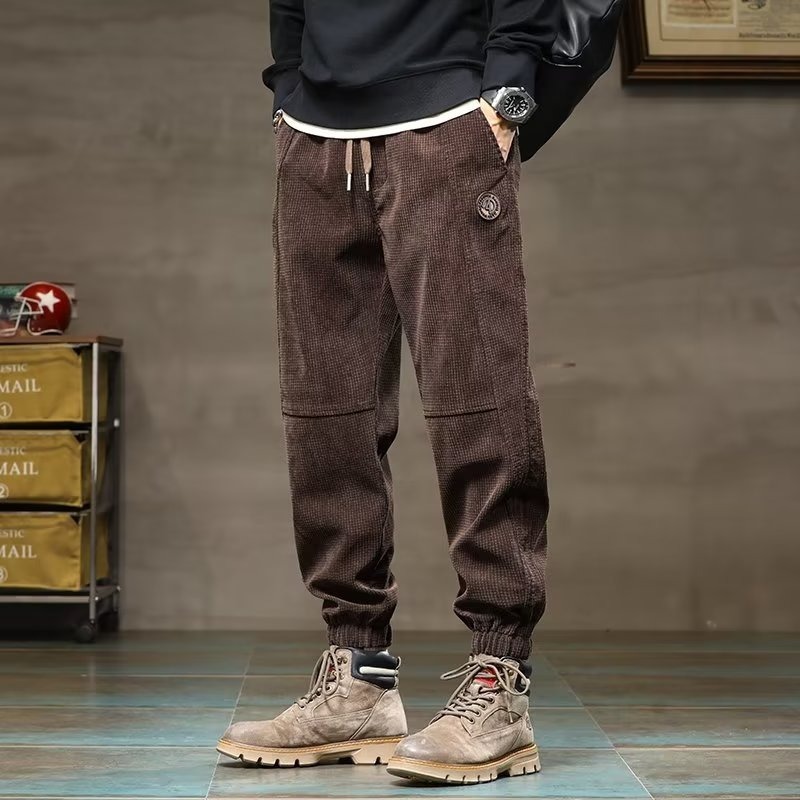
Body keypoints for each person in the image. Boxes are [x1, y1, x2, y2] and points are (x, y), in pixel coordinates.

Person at [217, 0, 560, 785]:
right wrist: (287, 91)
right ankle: (358, 676)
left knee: (479, 400)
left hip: (448, 120)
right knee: (325, 415)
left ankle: (500, 680)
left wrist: (507, 88)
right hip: (315, 138)